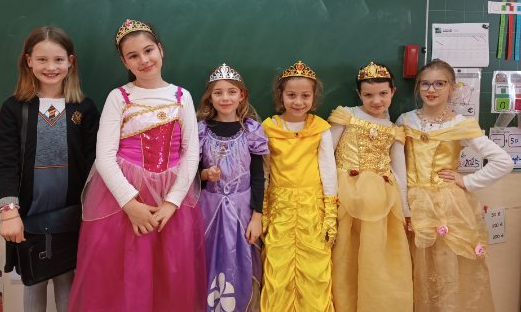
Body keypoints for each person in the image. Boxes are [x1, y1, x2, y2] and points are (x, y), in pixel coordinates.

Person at [68, 19, 206, 311]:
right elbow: (104, 156)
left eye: (148, 50)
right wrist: (130, 204)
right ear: (124, 61)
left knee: (169, 277)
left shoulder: (182, 97)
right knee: (128, 276)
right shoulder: (119, 97)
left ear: (160, 49)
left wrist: (171, 203)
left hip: (171, 202)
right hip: (123, 201)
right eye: (133, 55)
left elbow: (191, 153)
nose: (143, 60)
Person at [0, 26, 99, 312]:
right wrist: (9, 213)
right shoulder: (15, 109)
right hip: (27, 219)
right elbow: (3, 162)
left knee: (68, 281)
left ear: (70, 62)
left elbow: (95, 163)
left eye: (58, 59)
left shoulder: (84, 108)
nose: (51, 67)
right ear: (29, 61)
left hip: (72, 216)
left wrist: (94, 211)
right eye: (42, 59)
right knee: (33, 281)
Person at [397, 59, 513, 312]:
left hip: (446, 207)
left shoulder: (459, 124)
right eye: (425, 84)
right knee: (412, 270)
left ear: (452, 87)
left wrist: (467, 180)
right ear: (418, 87)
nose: (431, 90)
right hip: (411, 204)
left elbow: (503, 161)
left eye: (439, 84)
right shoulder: (405, 120)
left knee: (445, 269)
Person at [328, 62, 412, 312]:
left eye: (383, 93)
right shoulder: (347, 115)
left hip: (383, 205)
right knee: (346, 256)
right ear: (359, 94)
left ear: (393, 91)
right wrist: (326, 198)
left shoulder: (395, 130)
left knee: (377, 260)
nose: (376, 100)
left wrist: (406, 211)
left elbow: (400, 172)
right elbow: (326, 155)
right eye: (368, 95)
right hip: (346, 199)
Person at [260, 60, 337, 312]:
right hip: (280, 209)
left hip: (311, 210)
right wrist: (264, 210)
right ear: (280, 96)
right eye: (291, 95)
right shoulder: (269, 128)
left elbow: (328, 171)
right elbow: (265, 171)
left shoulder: (320, 128)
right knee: (278, 269)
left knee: (314, 269)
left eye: (305, 96)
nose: (298, 102)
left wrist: (330, 213)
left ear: (313, 99)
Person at [197, 63, 269, 312]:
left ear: (242, 95)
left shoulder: (251, 131)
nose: (225, 98)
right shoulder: (202, 130)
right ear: (210, 97)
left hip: (242, 211)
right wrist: (205, 174)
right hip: (208, 212)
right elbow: (191, 174)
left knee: (241, 263)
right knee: (208, 261)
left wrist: (257, 217)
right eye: (218, 93)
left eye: (231, 92)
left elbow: (258, 177)